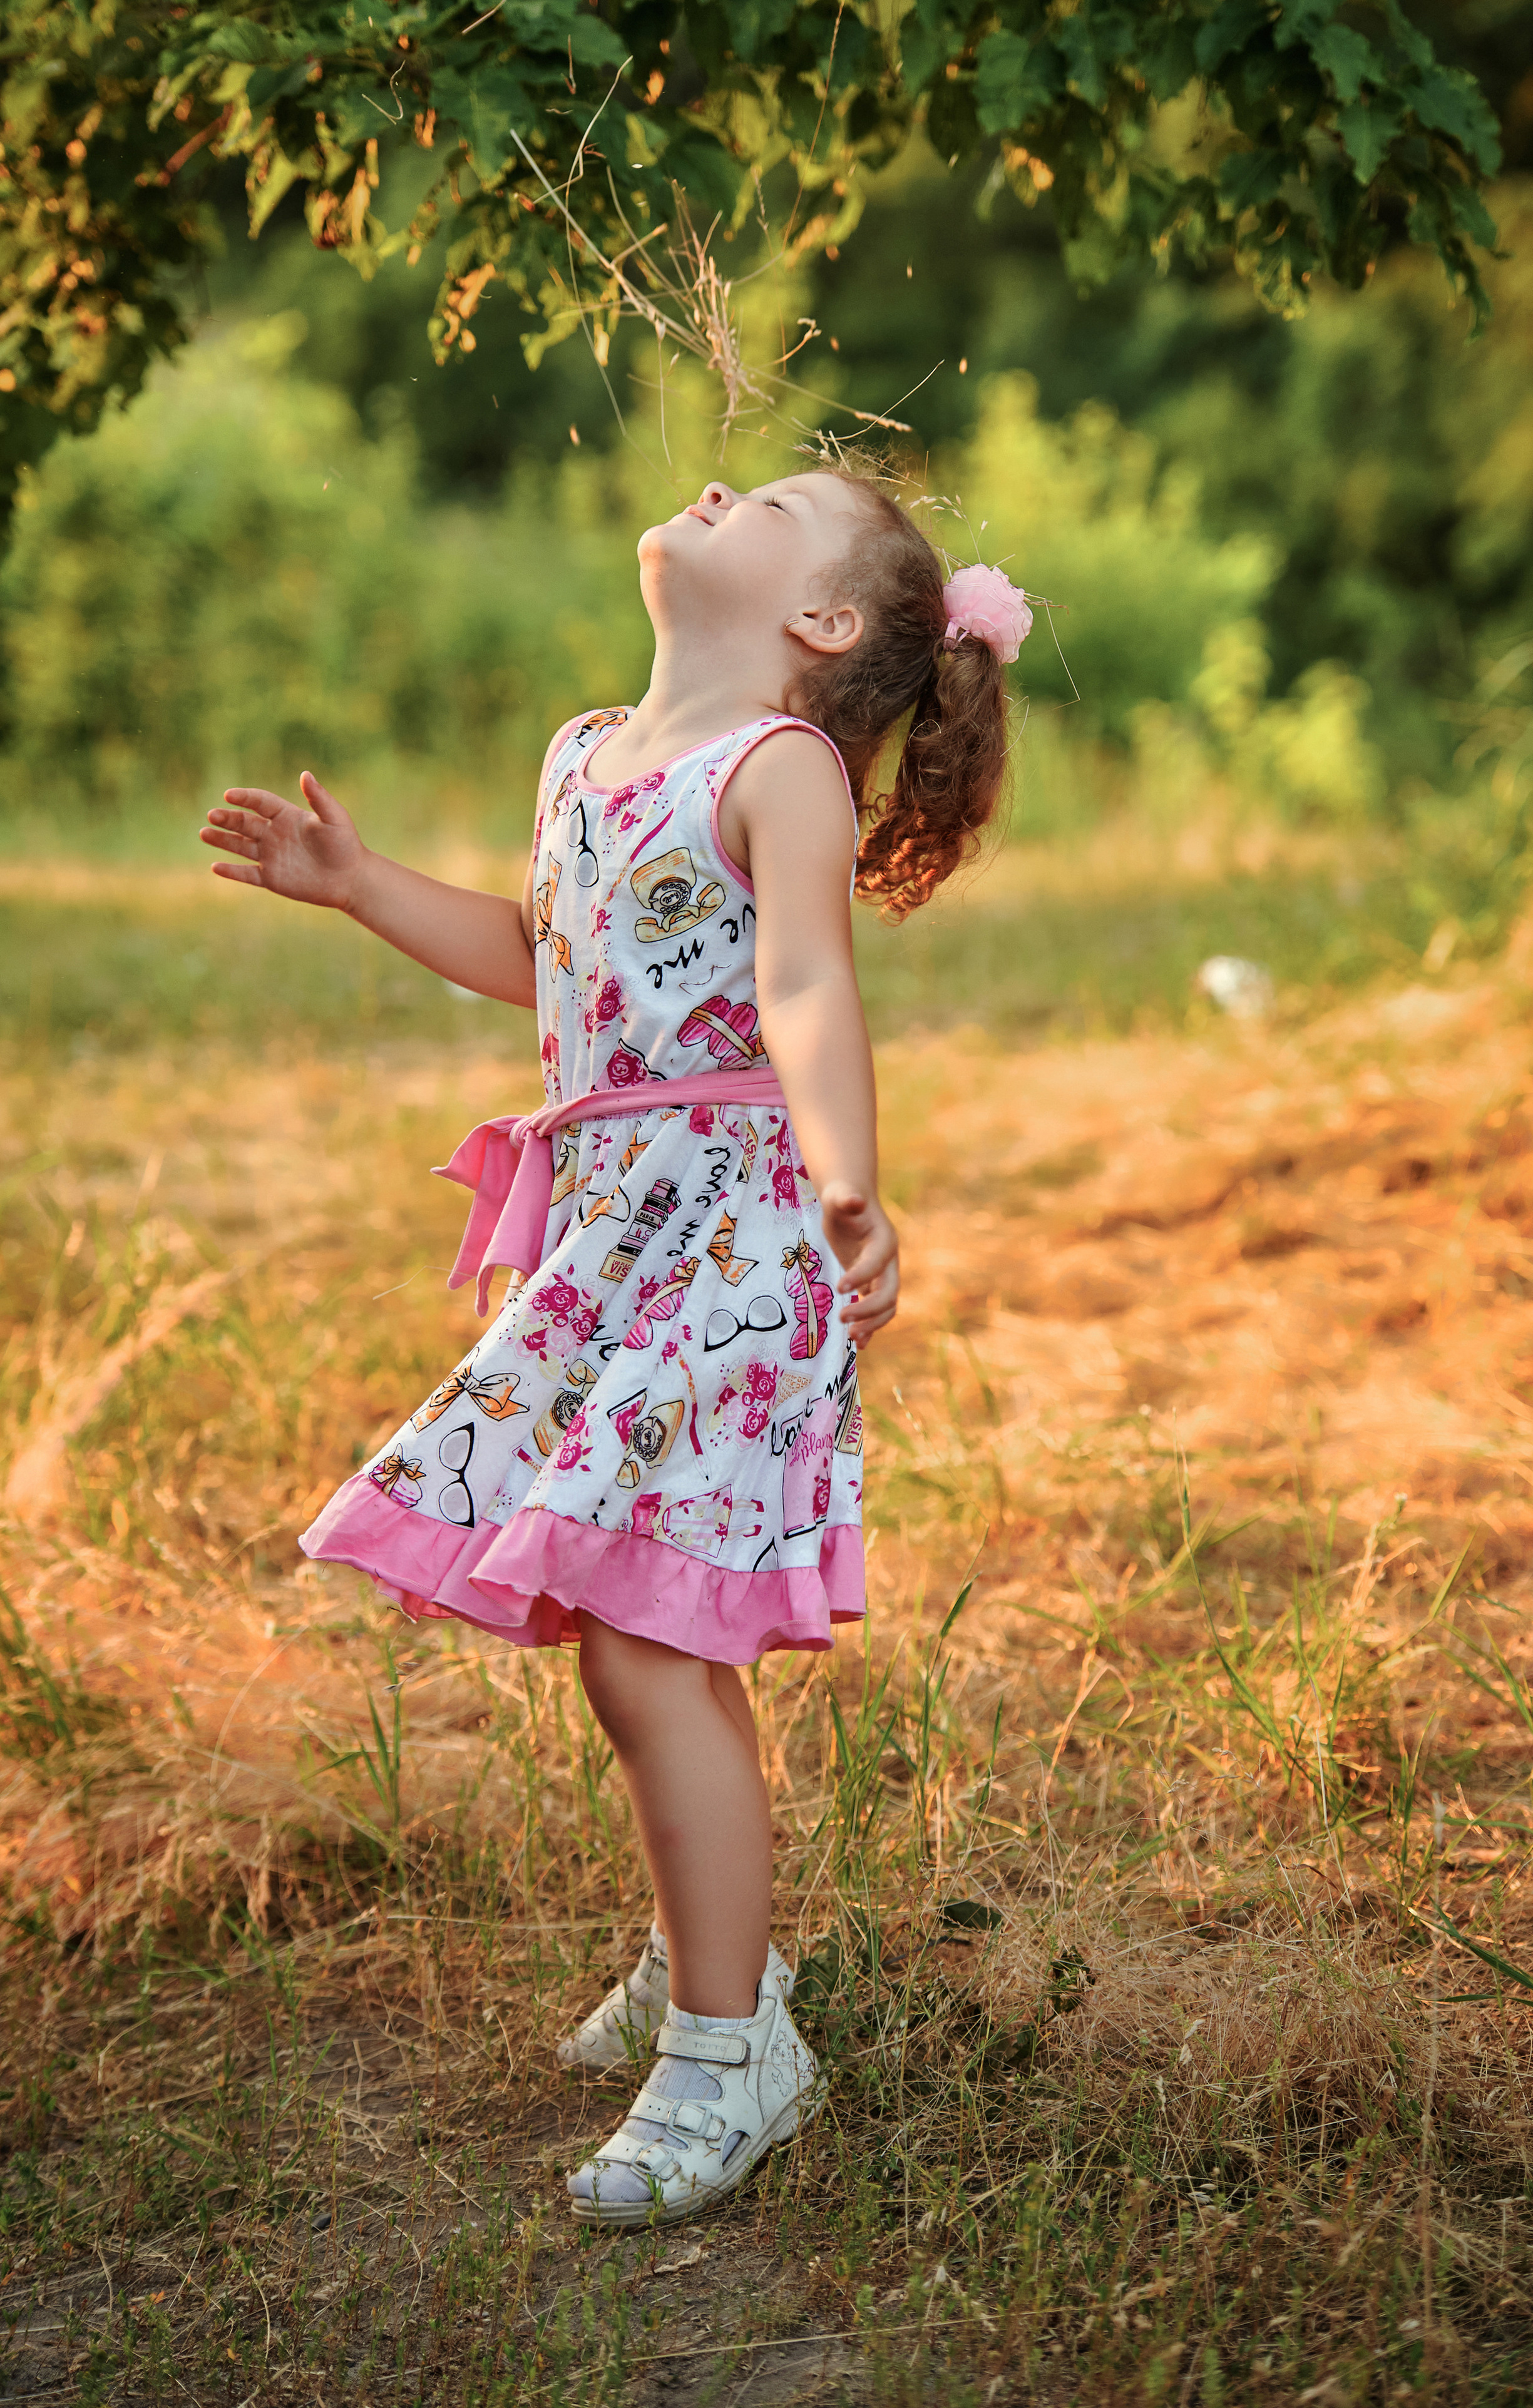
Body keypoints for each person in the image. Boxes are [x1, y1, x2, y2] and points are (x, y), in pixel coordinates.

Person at [200, 468, 1029, 2227]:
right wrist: (359, 887)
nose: (723, 480)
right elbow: (545, 953)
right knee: (630, 1626)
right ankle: (703, 1953)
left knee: (649, 1639)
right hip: (613, 1230)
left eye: (777, 498)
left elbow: (804, 981)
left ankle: (731, 2050)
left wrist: (848, 1183)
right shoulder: (590, 748)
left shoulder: (778, 768)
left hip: (732, 1230)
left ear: (818, 625)